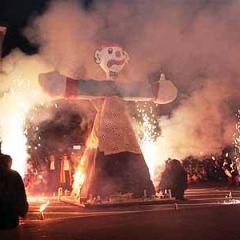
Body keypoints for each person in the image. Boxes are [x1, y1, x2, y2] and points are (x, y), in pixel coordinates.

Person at [0, 154, 28, 229]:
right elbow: (21, 193)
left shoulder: (14, 175)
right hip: (11, 213)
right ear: (9, 163)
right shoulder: (14, 175)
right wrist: (23, 209)